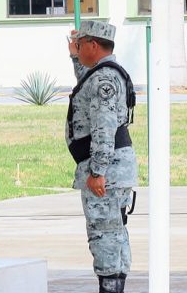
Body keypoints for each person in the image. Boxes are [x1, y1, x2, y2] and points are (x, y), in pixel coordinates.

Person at [65, 21, 136, 293]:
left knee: (104, 235)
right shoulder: (101, 74)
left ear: (93, 46)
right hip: (114, 169)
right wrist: (74, 55)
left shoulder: (104, 79)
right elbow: (85, 78)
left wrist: (98, 172)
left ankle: (110, 288)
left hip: (108, 172)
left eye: (81, 45)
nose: (79, 49)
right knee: (114, 232)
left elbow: (104, 128)